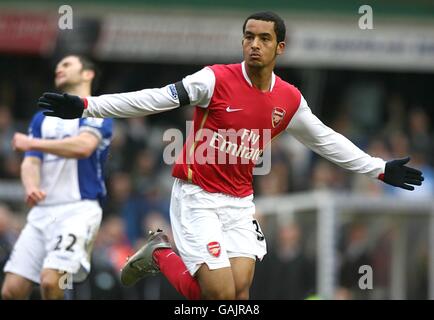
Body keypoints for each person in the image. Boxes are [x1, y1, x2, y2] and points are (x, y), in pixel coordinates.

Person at [36, 12, 424, 300]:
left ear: (279, 47)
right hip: (196, 195)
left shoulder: (288, 99)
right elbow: (152, 99)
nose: (254, 44)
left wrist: (378, 168)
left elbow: (326, 140)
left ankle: (158, 253)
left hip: (239, 202)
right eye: (248, 37)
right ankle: (162, 253)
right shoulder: (213, 79)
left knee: (239, 295)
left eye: (264, 39)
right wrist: (86, 105)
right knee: (220, 297)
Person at [1, 55, 113, 300]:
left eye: (67, 64)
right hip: (43, 211)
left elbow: (83, 146)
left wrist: (31, 142)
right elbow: (31, 160)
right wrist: (31, 185)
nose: (59, 69)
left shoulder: (96, 108)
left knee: (51, 281)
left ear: (88, 74)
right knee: (11, 290)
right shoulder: (42, 118)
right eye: (57, 66)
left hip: (78, 210)